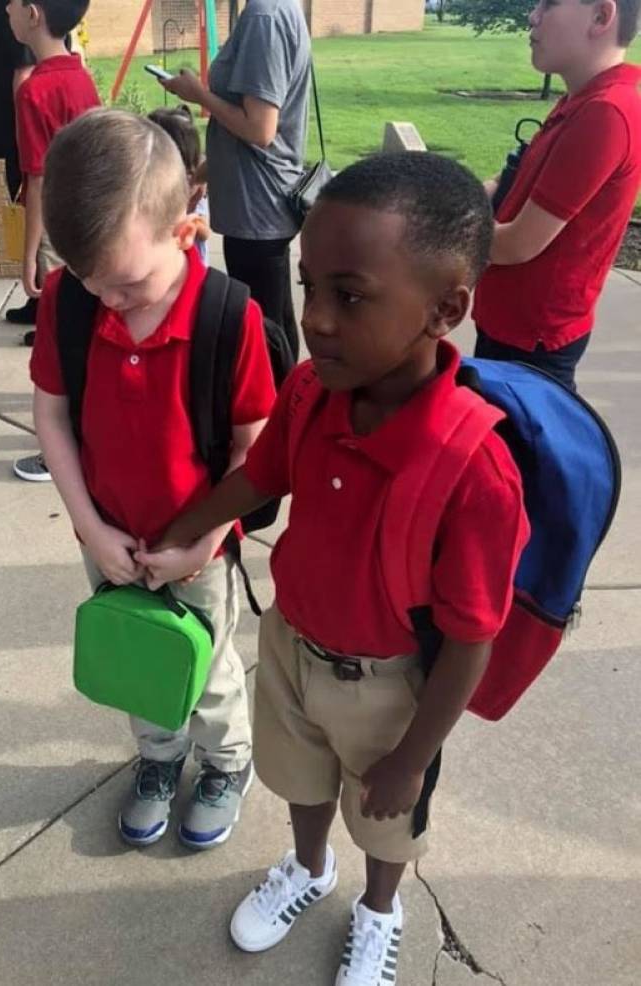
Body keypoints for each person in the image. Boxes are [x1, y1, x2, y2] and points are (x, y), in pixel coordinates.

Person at [142, 153, 530, 986]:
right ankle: (309, 869)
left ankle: (380, 908)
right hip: (291, 647)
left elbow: (470, 640)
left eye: (348, 296)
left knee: (385, 821)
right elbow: (261, 476)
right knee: (299, 779)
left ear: (446, 310)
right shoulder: (314, 391)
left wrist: (412, 756)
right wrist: (184, 530)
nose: (314, 319)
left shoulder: (473, 468)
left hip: (390, 691)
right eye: (307, 284)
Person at [31, 109, 276, 850]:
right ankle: (159, 758)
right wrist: (91, 529)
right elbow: (52, 419)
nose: (107, 299)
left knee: (206, 668)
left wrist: (204, 541)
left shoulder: (229, 318)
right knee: (140, 659)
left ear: (184, 227)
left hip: (197, 542)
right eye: (86, 279)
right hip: (108, 536)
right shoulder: (69, 304)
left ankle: (227, 761)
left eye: (126, 283)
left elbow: (252, 449)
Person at [474, 0, 641, 390]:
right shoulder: (581, 100)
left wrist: (437, 228)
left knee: (518, 448)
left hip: (532, 340)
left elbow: (517, 244)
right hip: (514, 324)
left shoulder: (606, 113)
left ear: (601, 16)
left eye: (548, 4)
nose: (532, 16)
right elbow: (509, 181)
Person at [159, 0, 311, 359]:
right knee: (272, 318)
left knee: (264, 329)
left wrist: (196, 94)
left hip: (257, 206)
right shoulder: (272, 10)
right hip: (258, 201)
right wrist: (203, 174)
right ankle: (286, 401)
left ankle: (278, 406)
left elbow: (260, 129)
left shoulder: (265, 17)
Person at [7, 0, 100, 482]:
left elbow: (39, 180)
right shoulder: (80, 76)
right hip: (92, 228)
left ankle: (63, 450)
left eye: (12, 3)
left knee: (59, 350)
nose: (5, 9)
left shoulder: (34, 90)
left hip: (59, 233)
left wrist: (28, 256)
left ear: (33, 13)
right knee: (85, 337)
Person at [0, 0, 71, 327]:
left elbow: (23, 73)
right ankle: (39, 299)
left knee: (35, 216)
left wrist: (24, 134)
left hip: (26, 142)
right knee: (21, 203)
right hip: (13, 138)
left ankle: (48, 309)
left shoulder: (25, 23)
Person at [148, 105, 211, 265]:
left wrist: (185, 222)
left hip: (189, 262)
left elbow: (204, 232)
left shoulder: (195, 183)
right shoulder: (149, 180)